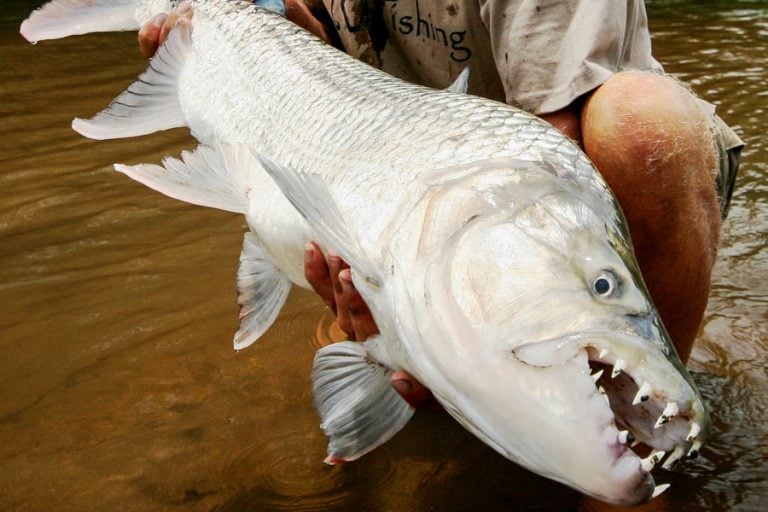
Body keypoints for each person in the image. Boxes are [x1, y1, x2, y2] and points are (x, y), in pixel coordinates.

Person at [138, 0, 743, 407]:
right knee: (415, 386)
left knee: (640, 120)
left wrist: (433, 306)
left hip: (585, 183)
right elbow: (326, 78)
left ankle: (642, 412)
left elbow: (548, 156)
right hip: (418, 182)